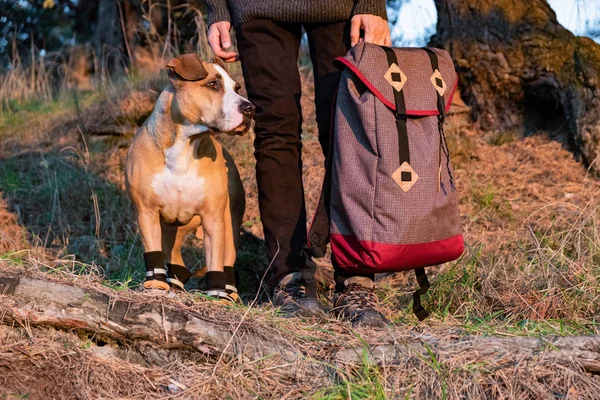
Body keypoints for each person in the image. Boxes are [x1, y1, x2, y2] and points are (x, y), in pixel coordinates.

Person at [203, 0, 391, 326]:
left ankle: (357, 279)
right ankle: (289, 277)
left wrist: (372, 3)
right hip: (257, 9)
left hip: (344, 9)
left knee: (351, 133)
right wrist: (217, 9)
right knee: (275, 132)